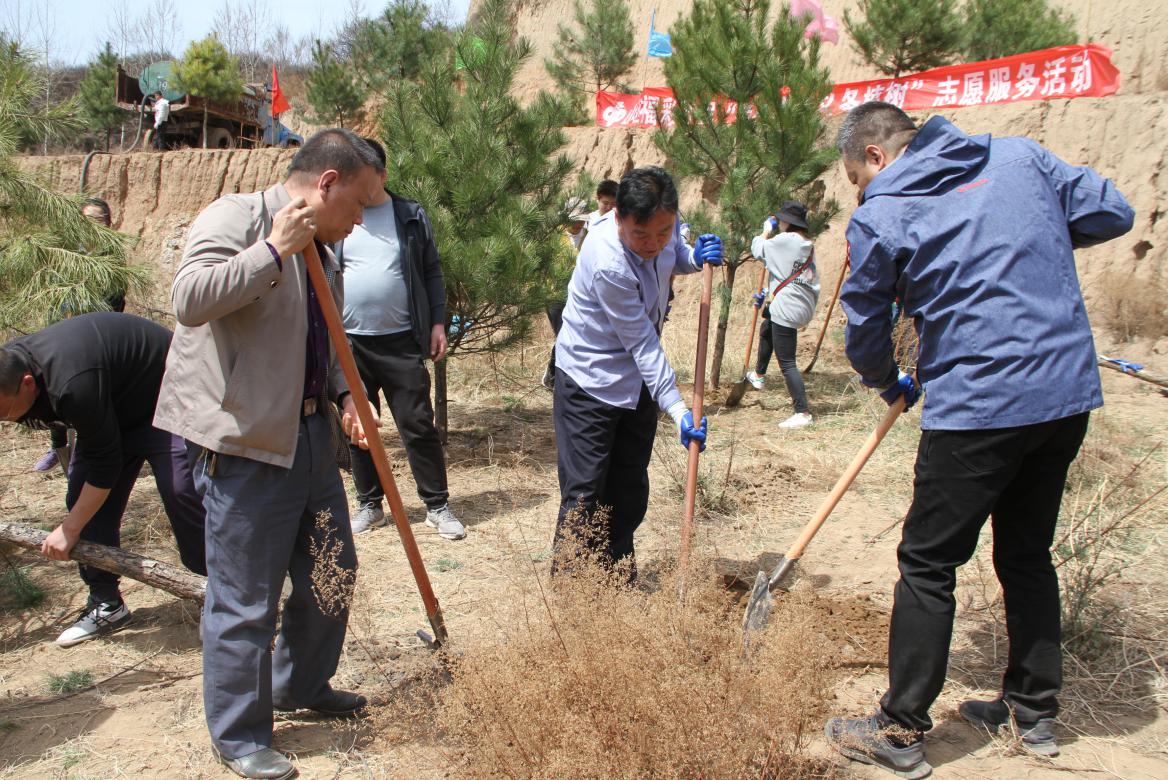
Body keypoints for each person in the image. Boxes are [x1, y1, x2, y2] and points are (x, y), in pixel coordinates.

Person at [823, 102, 1134, 779]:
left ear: (875, 156)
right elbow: (1114, 211)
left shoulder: (883, 210)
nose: (862, 191)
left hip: (981, 404)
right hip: (1064, 393)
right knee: (1026, 551)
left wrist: (885, 380)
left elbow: (867, 327)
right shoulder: (1020, 157)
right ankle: (1032, 712)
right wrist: (1024, 238)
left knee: (929, 561)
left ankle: (900, 731)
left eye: (856, 177)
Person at [153, 128, 384, 780]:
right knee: (245, 601)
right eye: (358, 206)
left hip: (311, 439)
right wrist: (272, 251)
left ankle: (300, 686)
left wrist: (347, 395)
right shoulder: (236, 218)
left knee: (330, 578)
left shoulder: (329, 253)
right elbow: (190, 300)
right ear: (327, 185)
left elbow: (325, 341)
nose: (361, 220)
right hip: (246, 444)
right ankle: (240, 734)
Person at [551, 166, 722, 579]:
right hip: (591, 382)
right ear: (618, 218)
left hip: (638, 386)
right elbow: (643, 344)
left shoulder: (665, 224)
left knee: (628, 488)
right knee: (586, 493)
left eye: (663, 232)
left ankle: (616, 582)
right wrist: (679, 408)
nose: (652, 244)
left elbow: (671, 257)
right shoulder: (607, 260)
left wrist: (691, 257)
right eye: (640, 235)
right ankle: (573, 593)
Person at [0, 313, 207, 647]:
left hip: (169, 396)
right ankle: (106, 603)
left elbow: (105, 465)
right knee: (82, 499)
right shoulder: (10, 368)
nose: (6, 421)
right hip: (110, 409)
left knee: (183, 491)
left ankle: (212, 593)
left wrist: (69, 529)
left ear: (27, 383)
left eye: (5, 413)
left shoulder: (70, 381)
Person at [338, 138, 465, 540]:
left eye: (365, 176)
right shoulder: (343, 213)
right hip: (351, 341)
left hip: (400, 341)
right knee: (360, 426)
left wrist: (438, 323)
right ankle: (369, 504)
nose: (359, 185)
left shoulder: (408, 214)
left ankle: (437, 506)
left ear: (382, 174)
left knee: (417, 424)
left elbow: (431, 269)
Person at [34, 198, 127, 474]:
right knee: (55, 389)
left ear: (109, 223)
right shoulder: (69, 252)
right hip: (66, 326)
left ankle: (94, 450)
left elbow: (115, 299)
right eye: (86, 219)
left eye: (98, 219)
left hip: (99, 333)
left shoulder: (113, 256)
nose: (92, 225)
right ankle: (58, 445)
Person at [747, 201, 820, 428]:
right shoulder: (806, 244)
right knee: (767, 326)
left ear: (789, 222)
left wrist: (766, 230)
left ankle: (802, 412)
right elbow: (794, 276)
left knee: (787, 363)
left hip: (788, 307)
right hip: (798, 304)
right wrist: (768, 293)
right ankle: (758, 375)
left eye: (781, 219)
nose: (779, 221)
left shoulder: (786, 240)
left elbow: (757, 248)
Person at [541, 196, 592, 390]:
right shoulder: (554, 238)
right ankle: (554, 376)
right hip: (556, 295)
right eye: (574, 219)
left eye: (581, 219)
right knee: (563, 335)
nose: (578, 223)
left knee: (575, 337)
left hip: (581, 296)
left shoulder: (591, 236)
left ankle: (558, 376)